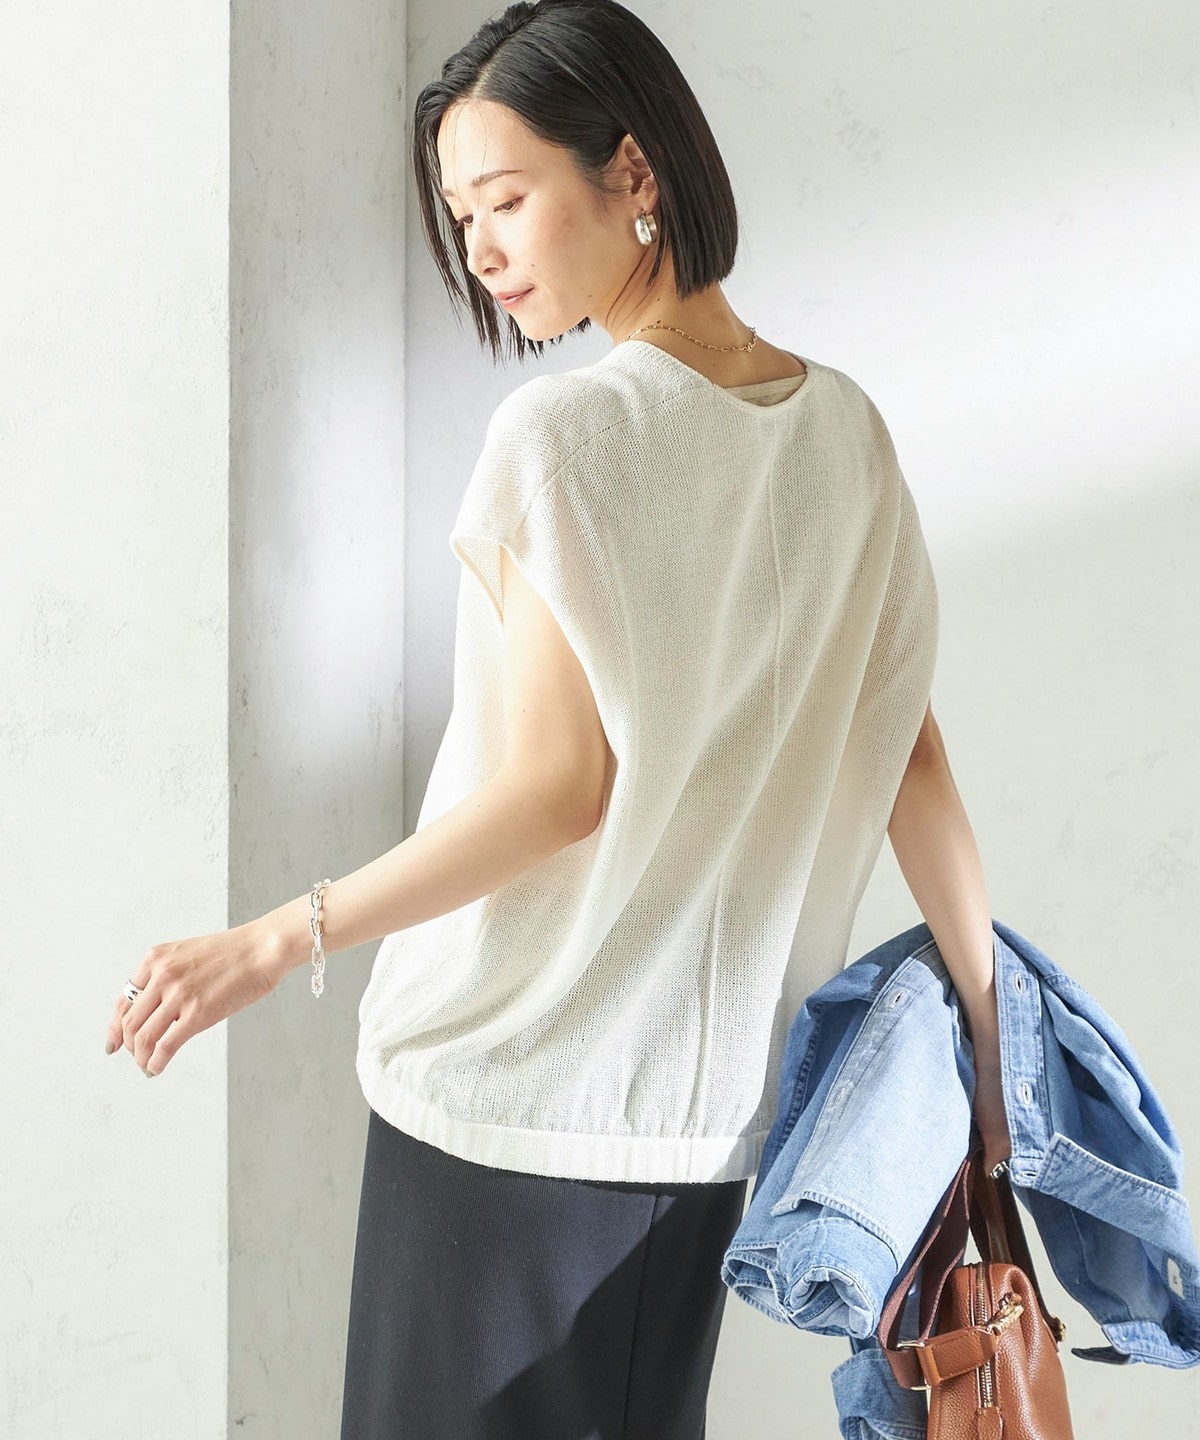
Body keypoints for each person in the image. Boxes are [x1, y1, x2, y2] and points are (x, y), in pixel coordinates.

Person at [104, 0, 1012, 1434]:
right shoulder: (847, 432)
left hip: (503, 1110)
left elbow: (552, 789)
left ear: (632, 170)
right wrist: (995, 1045)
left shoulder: (567, 434)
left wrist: (282, 934)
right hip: (704, 1136)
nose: (479, 250)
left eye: (506, 199)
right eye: (462, 216)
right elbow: (913, 760)